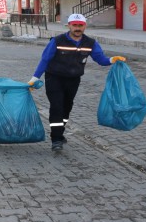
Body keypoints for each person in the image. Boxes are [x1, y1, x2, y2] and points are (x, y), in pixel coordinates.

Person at [29, 13, 126, 151]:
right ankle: (56, 139)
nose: (77, 28)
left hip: (73, 80)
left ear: (85, 26)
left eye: (80, 25)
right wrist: (34, 79)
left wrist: (112, 60)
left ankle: (60, 132)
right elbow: (45, 60)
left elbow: (101, 59)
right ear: (69, 26)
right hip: (54, 78)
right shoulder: (57, 41)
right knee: (57, 107)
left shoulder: (90, 43)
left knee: (67, 107)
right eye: (74, 25)